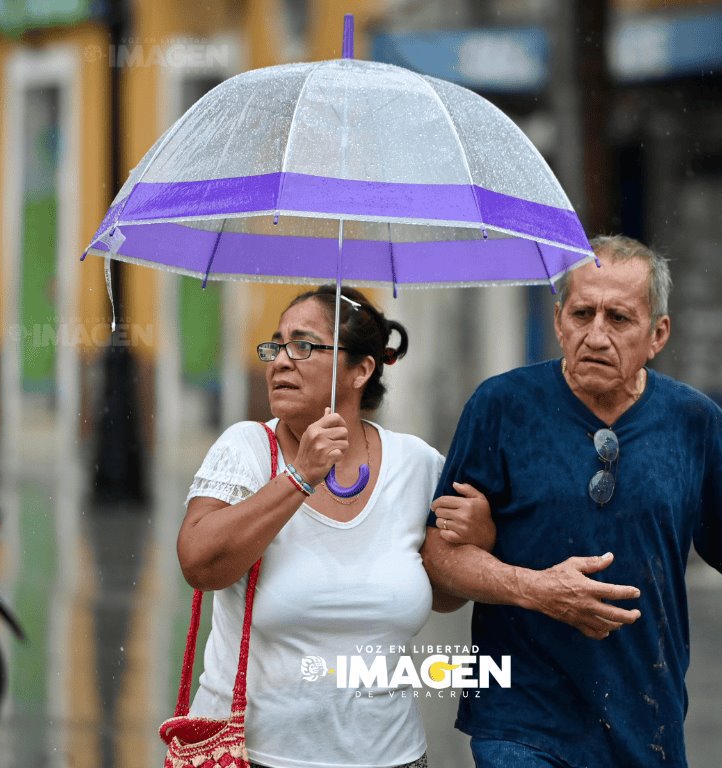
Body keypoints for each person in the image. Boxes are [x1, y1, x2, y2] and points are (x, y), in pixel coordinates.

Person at [422, 235, 722, 767]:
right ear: (559, 319)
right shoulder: (501, 407)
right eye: (582, 313)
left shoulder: (695, 424)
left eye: (618, 319)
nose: (595, 335)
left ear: (657, 334)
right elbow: (439, 562)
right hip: (520, 720)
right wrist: (534, 589)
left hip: (647, 724)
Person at [177, 285, 490, 768]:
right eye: (276, 345)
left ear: (361, 369)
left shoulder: (419, 466)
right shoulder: (245, 450)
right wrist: (298, 478)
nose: (280, 361)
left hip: (394, 757)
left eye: (303, 345)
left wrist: (479, 536)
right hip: (256, 755)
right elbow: (199, 564)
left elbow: (445, 596)